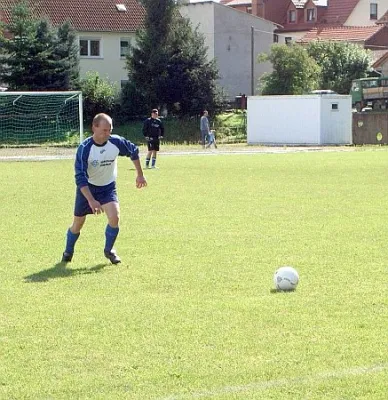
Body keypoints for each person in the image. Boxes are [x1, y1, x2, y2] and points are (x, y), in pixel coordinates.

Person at [62, 113, 147, 265]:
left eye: (110, 130)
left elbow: (133, 151)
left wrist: (140, 175)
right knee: (78, 224)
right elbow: (80, 178)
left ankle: (109, 250)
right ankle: (68, 252)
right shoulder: (85, 148)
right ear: (94, 128)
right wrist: (91, 200)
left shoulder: (115, 142)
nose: (108, 133)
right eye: (104, 130)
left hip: (108, 187)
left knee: (115, 217)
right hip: (87, 189)